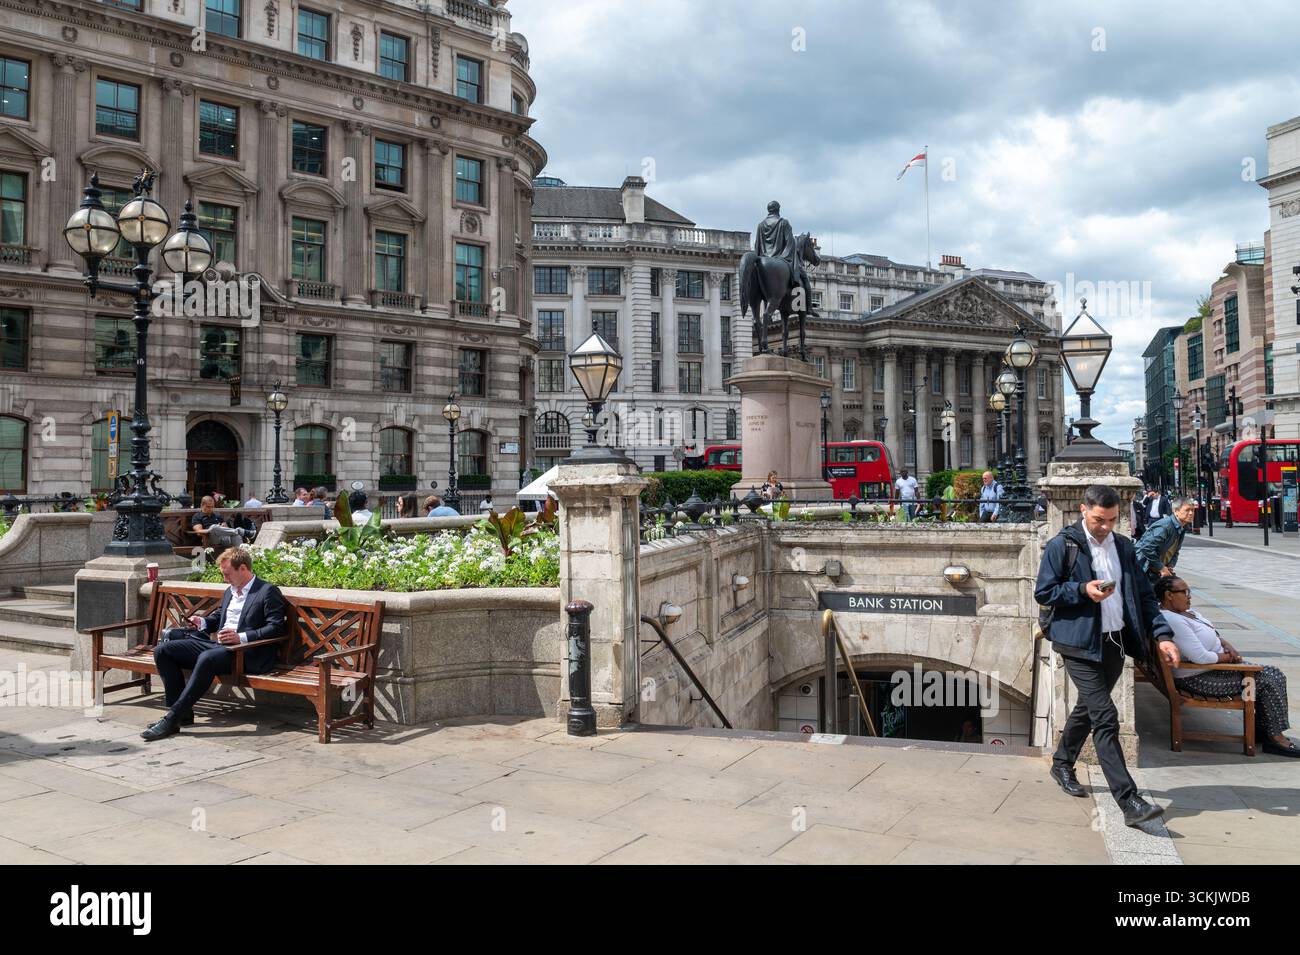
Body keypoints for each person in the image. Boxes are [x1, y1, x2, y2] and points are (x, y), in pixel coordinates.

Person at [1035, 483, 1181, 827]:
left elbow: (1144, 596)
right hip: (1077, 644)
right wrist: (1081, 590)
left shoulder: (1125, 548)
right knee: (1105, 717)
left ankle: (1062, 761)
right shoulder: (1063, 545)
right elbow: (1044, 591)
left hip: (1115, 643)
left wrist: (1162, 636)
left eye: (1112, 520)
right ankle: (1129, 802)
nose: (1105, 526)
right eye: (1099, 519)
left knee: (1088, 709)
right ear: (1084, 510)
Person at [142, 548, 286, 741]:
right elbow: (221, 616)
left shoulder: (267, 591)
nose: (225, 579)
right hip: (219, 646)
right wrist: (202, 622)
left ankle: (172, 718)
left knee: (207, 658)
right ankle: (183, 714)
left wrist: (241, 637)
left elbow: (276, 628)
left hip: (245, 652)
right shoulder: (230, 591)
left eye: (227, 574)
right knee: (163, 651)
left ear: (243, 568)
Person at [1155, 577, 1299, 757]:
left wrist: (1225, 644)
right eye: (1184, 592)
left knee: (1266, 674)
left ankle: (1265, 731)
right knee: (1271, 677)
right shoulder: (1173, 619)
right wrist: (1228, 657)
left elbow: (1211, 632)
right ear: (1168, 595)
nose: (1189, 596)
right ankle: (1276, 738)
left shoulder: (1186, 613)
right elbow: (1200, 657)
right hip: (1197, 678)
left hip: (1213, 670)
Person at [1135, 497, 1195, 583]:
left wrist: (1170, 565)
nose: (1191, 513)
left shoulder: (1182, 527)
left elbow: (1175, 551)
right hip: (1144, 569)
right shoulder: (1165, 526)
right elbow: (1147, 547)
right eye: (1187, 510)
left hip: (1156, 570)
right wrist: (1161, 568)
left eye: (1193, 510)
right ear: (1176, 511)